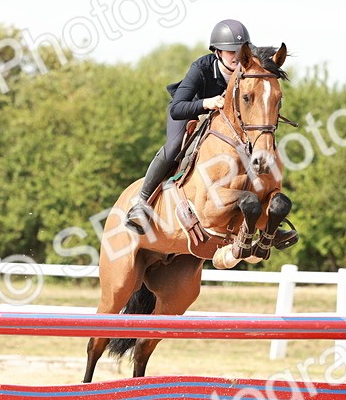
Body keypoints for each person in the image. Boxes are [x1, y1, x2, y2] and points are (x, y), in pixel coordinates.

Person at [124, 19, 296, 253]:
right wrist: (206, 103)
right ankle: (141, 203)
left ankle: (270, 222)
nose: (235, 57)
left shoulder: (250, 69)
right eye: (229, 52)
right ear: (217, 51)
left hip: (231, 123)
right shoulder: (202, 67)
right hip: (190, 112)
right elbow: (177, 107)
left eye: (239, 51)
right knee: (175, 145)